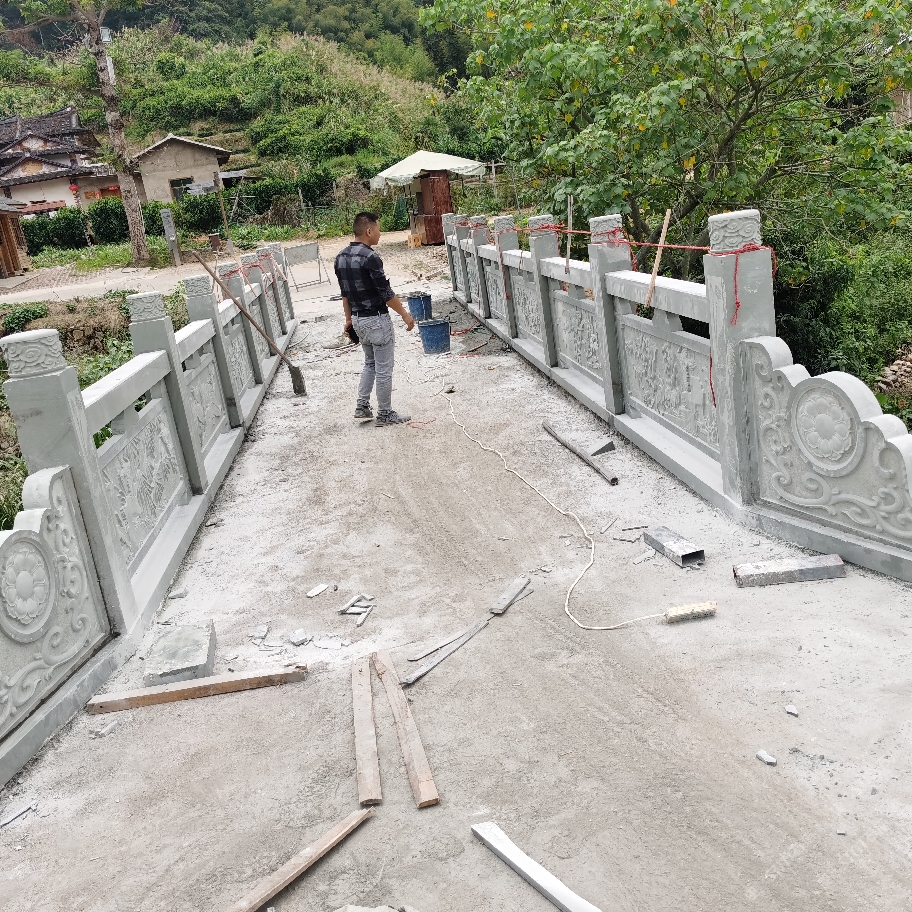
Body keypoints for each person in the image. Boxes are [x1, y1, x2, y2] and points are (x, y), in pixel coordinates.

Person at [334, 211, 415, 425]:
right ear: (369, 231)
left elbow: (345, 294)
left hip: (358, 320)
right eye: (379, 229)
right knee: (384, 369)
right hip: (377, 320)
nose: (380, 233)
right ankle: (385, 413)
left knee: (370, 363)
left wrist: (349, 320)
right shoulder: (370, 257)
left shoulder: (340, 257)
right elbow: (385, 293)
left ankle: (362, 406)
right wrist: (405, 315)